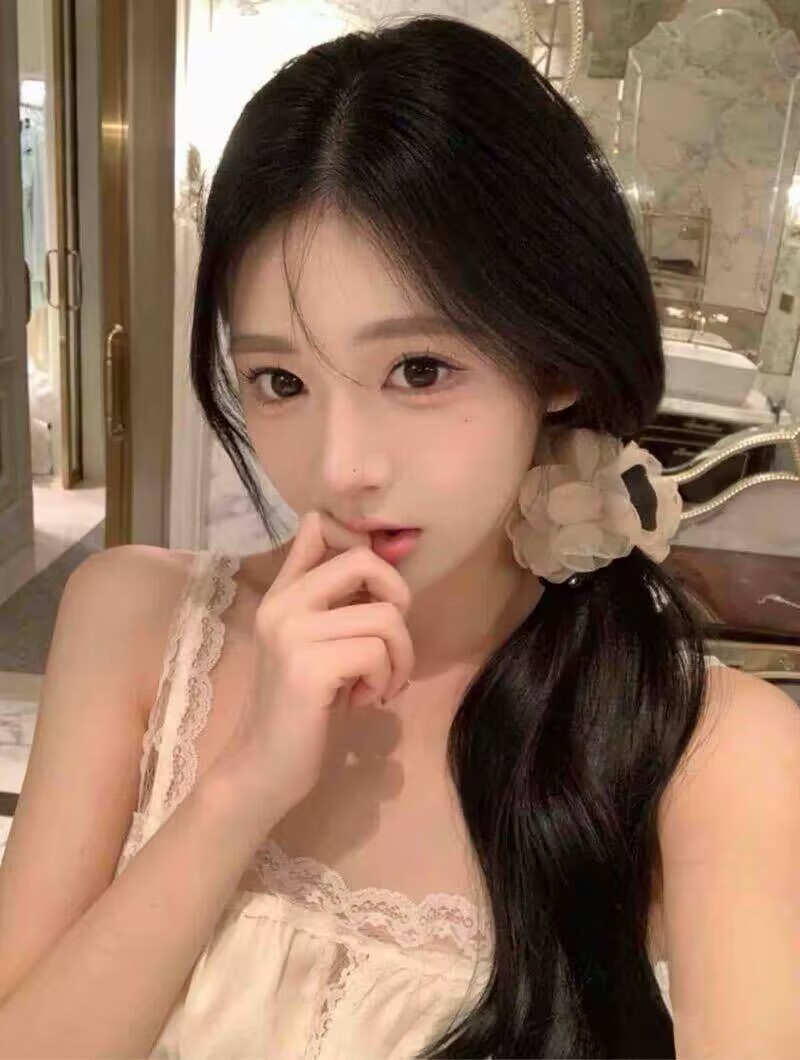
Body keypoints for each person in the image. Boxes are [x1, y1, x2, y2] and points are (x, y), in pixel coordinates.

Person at [1, 14, 798, 1060]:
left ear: (557, 361)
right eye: (279, 380)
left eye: (418, 370)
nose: (340, 468)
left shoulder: (712, 753)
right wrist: (239, 791)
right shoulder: (132, 621)